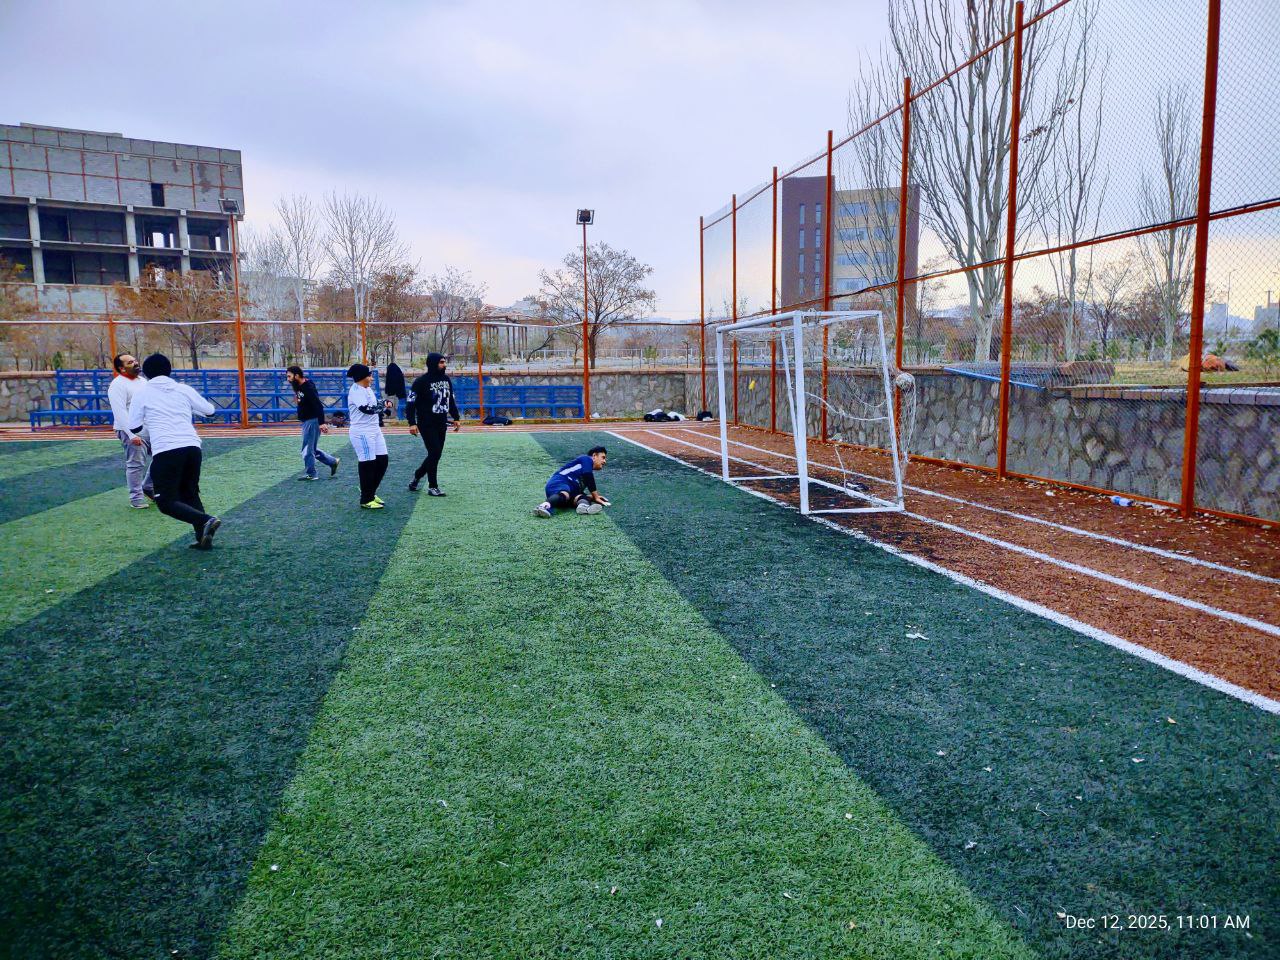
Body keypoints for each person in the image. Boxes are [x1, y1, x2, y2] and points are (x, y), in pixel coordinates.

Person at [127, 353, 221, 549]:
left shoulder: (142, 393)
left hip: (166, 449)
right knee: (190, 493)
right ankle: (203, 538)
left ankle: (206, 520)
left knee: (165, 502)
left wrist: (152, 428)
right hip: (193, 447)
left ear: (146, 373)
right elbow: (210, 411)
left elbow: (134, 427)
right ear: (169, 370)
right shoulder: (183, 389)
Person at [405, 352, 460, 496]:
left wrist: (456, 417)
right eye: (441, 362)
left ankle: (417, 475)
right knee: (434, 452)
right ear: (433, 363)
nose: (444, 365)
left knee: (436, 454)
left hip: (441, 422)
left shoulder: (446, 380)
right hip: (426, 423)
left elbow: (450, 400)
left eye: (444, 362)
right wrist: (412, 423)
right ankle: (432, 486)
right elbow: (410, 403)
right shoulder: (420, 382)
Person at [107, 352, 155, 508]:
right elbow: (119, 411)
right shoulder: (117, 385)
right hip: (130, 430)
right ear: (121, 368)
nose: (135, 363)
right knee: (136, 464)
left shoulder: (143, 381)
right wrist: (131, 434)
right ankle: (136, 498)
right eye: (130, 362)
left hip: (148, 428)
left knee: (163, 457)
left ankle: (148, 486)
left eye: (135, 360)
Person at [346, 363, 390, 509]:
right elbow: (366, 409)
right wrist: (382, 408)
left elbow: (374, 403)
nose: (371, 378)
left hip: (374, 429)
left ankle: (370, 492)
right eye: (369, 375)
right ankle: (366, 499)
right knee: (368, 463)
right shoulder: (356, 390)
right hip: (362, 431)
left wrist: (384, 403)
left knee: (382, 460)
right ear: (362, 377)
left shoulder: (367, 389)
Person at [286, 365, 340, 481]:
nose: (288, 379)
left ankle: (311, 473)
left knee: (307, 449)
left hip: (312, 421)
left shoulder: (308, 387)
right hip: (307, 421)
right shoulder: (299, 385)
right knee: (311, 449)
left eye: (289, 376)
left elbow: (318, 405)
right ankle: (332, 461)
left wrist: (321, 423)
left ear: (297, 376)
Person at [534, 446, 610, 518]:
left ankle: (583, 507)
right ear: (594, 456)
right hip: (559, 482)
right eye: (603, 457)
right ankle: (543, 507)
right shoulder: (586, 459)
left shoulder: (584, 473)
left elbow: (578, 491)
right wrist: (596, 497)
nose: (604, 461)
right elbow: (588, 475)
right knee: (565, 493)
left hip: (565, 497)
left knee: (582, 497)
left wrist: (592, 497)